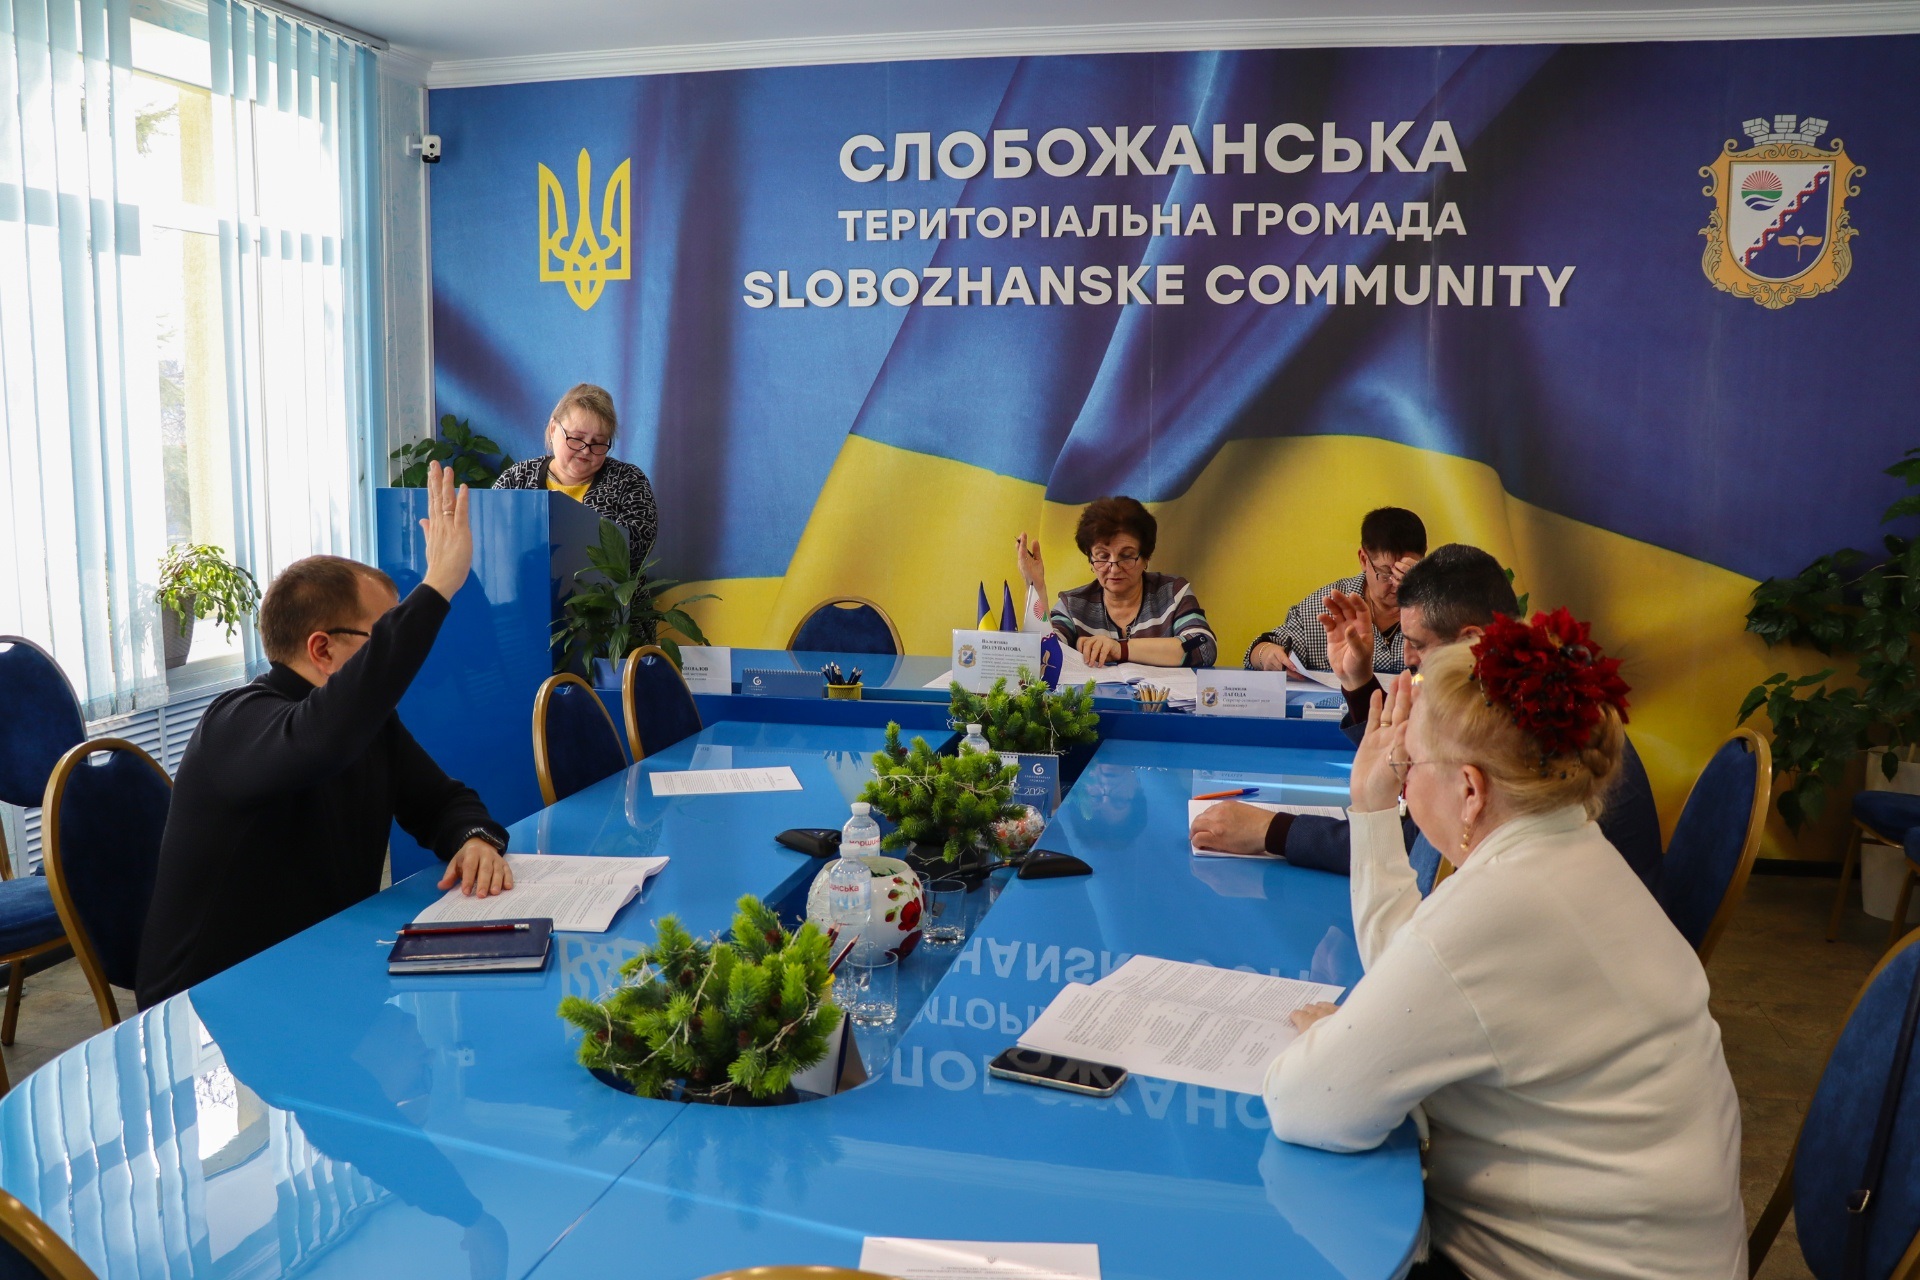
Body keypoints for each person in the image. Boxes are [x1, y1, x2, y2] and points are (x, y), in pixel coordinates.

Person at [1265, 618, 1745, 1279]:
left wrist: (1331, 1039)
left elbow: (1310, 1105)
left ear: (1470, 791)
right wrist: (1373, 811)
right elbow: (1418, 971)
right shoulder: (1569, 850)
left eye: (1408, 763)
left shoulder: (1495, 909)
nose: (1400, 779)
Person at [136, 463, 514, 1008]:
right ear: (322, 648)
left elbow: (441, 801)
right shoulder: (237, 723)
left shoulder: (369, 724)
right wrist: (436, 588)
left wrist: (473, 839)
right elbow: (321, 742)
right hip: (212, 1007)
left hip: (321, 971)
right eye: (381, 636)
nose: (394, 659)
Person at [1192, 545, 1665, 892]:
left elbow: (1409, 847)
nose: (1407, 660)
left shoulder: (1512, 723)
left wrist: (1271, 831)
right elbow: (1409, 777)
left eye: (1416, 644)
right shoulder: (1531, 688)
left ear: (1471, 639)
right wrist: (1357, 681)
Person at [1014, 496, 1217, 668]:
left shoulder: (1173, 593)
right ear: (1090, 561)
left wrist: (1120, 649)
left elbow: (1203, 647)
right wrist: (1035, 587)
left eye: (1126, 556)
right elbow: (1041, 657)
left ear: (1146, 557)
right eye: (1102, 556)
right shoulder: (1073, 605)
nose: (1114, 568)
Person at [493, 383, 658, 573]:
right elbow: (493, 539)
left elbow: (637, 547)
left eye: (598, 442)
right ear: (553, 429)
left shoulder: (629, 481)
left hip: (605, 591)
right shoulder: (516, 479)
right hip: (525, 587)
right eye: (577, 438)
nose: (585, 450)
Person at [1244, 507, 1425, 673]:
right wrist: (1265, 654)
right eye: (1386, 573)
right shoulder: (1325, 607)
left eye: (1407, 572)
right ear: (1363, 559)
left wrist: (1425, 595)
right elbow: (1261, 649)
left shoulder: (1437, 607)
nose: (1397, 584)